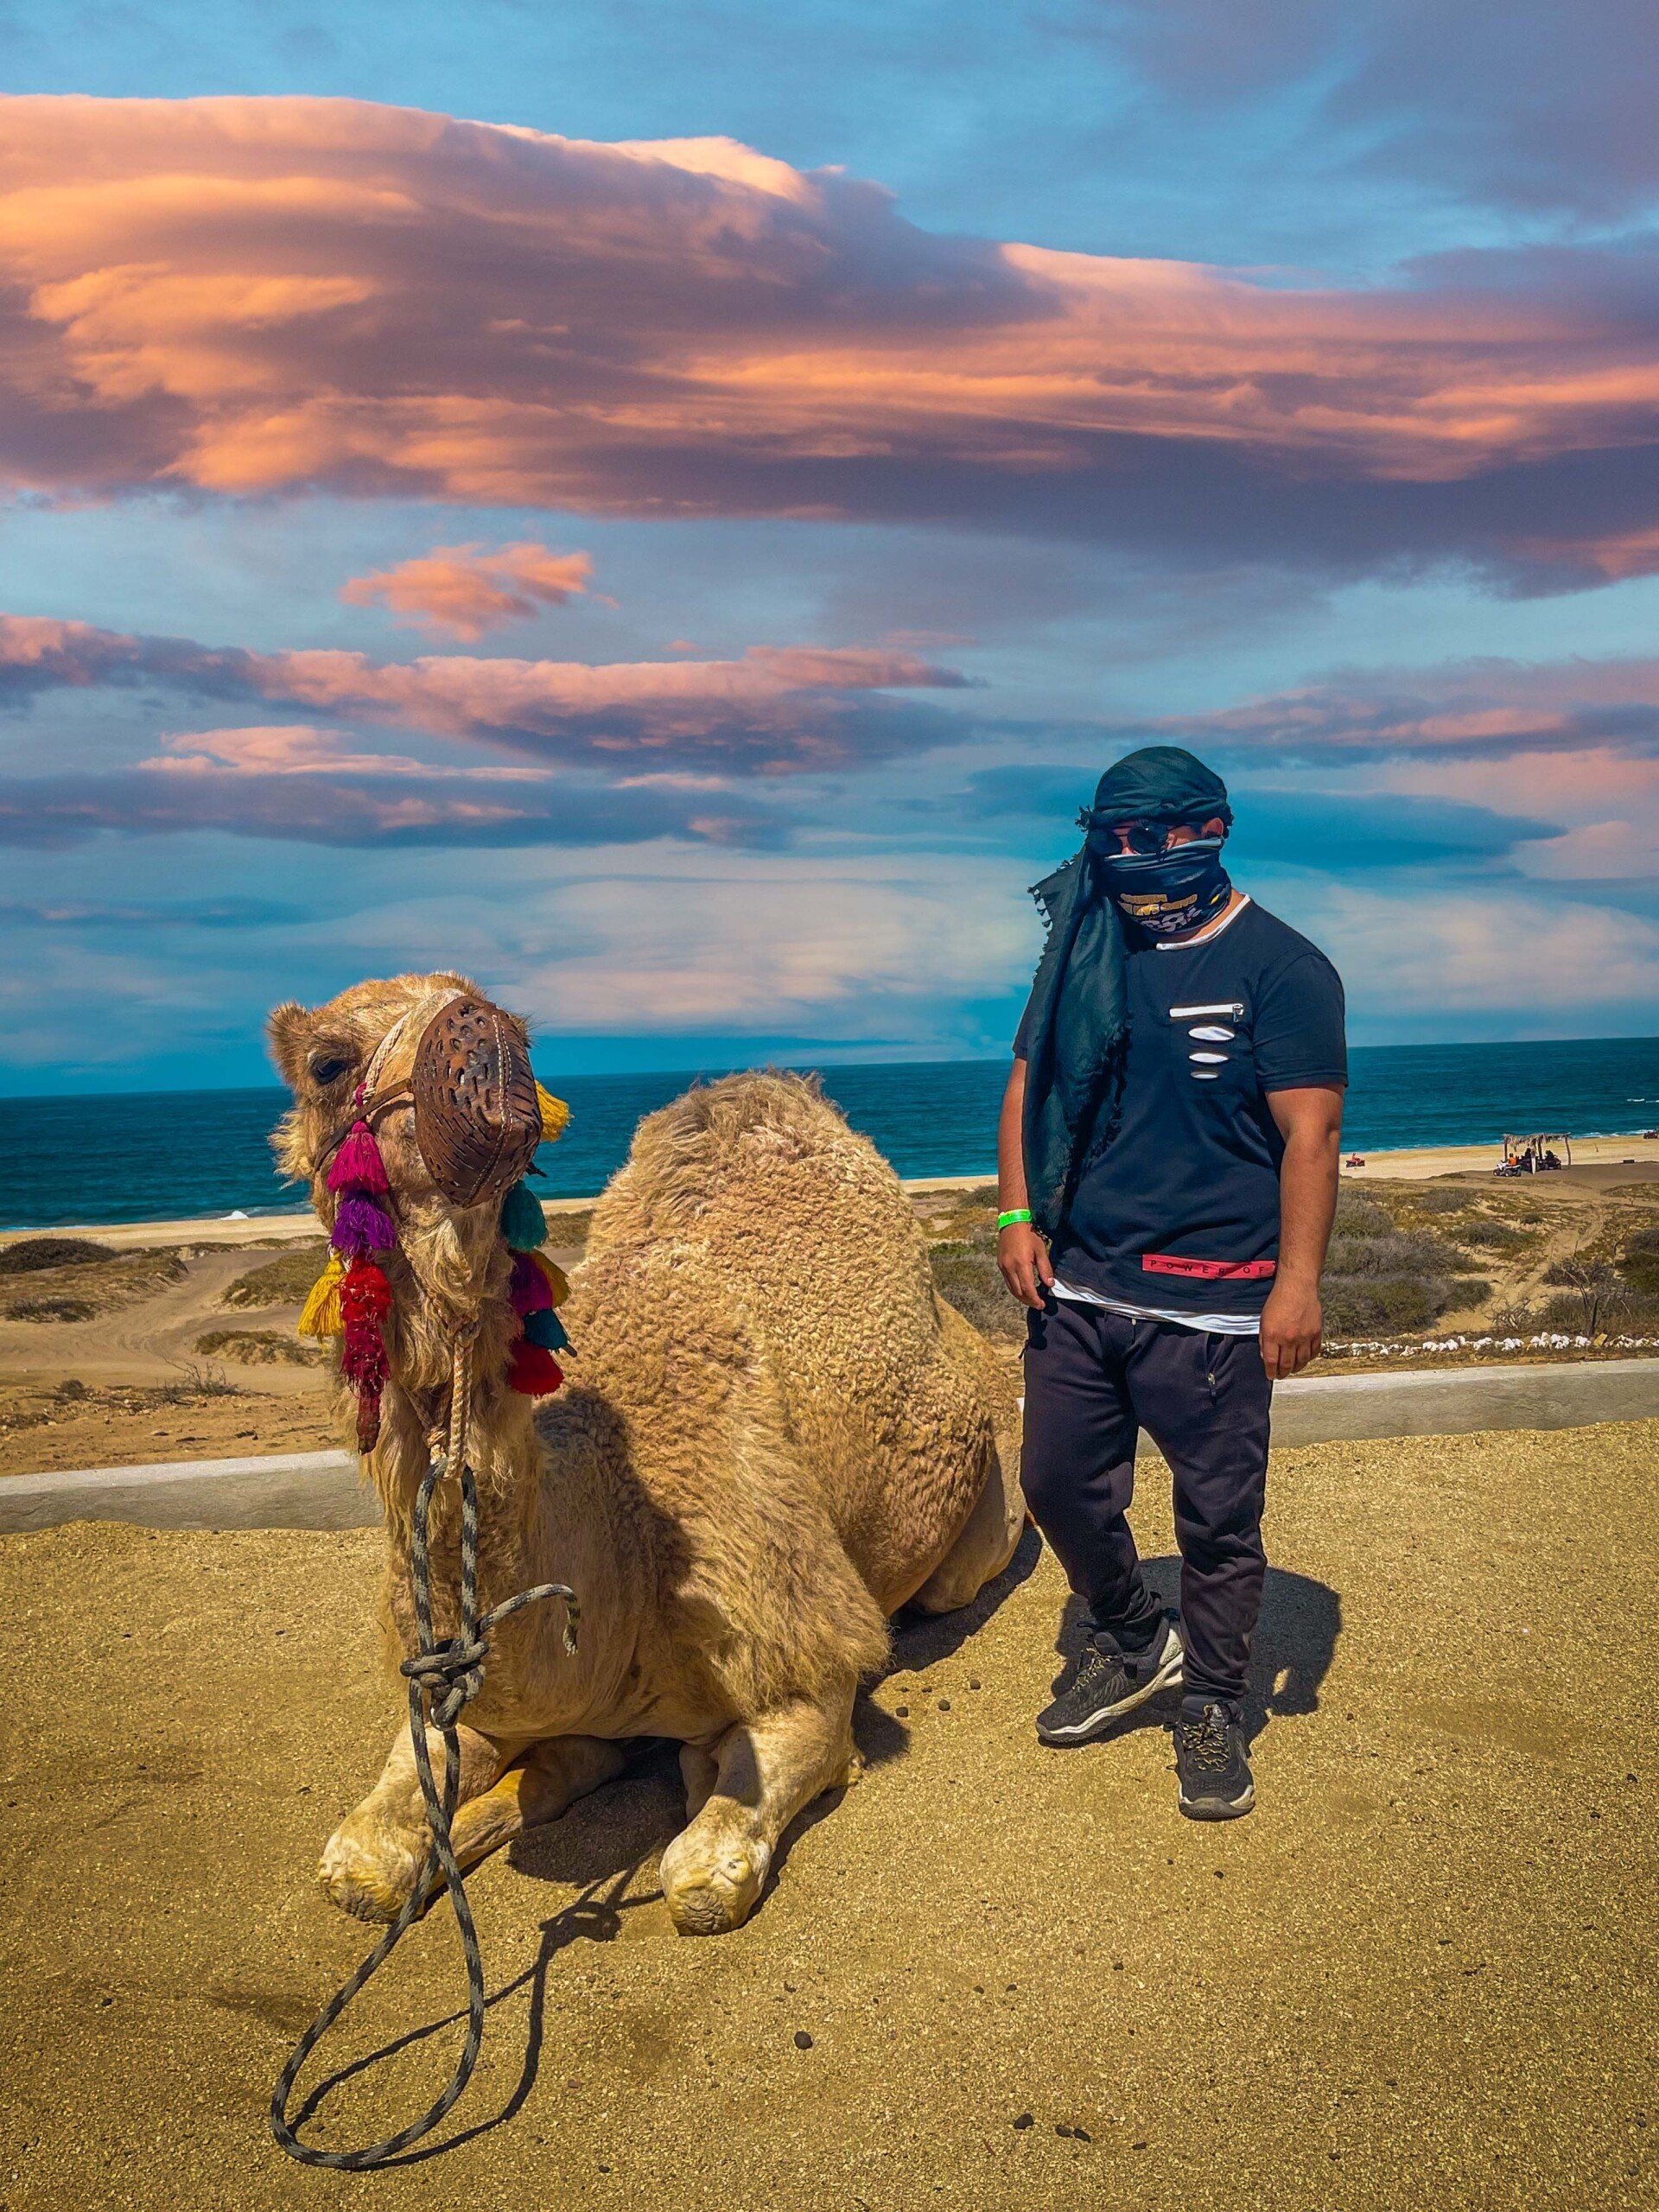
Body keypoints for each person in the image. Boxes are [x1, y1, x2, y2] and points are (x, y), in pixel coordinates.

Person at [996, 745, 1346, 1820]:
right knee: (1055, 1483)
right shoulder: (1088, 955)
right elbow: (1027, 1080)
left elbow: (1311, 1133)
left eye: (1152, 839)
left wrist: (1297, 1287)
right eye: (1114, 839)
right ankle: (1136, 1636)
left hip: (1216, 1301)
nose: (1130, 861)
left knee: (1217, 1524)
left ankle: (1214, 1698)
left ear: (1212, 829)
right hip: (1084, 1287)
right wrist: (1016, 1213)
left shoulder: (1282, 966)